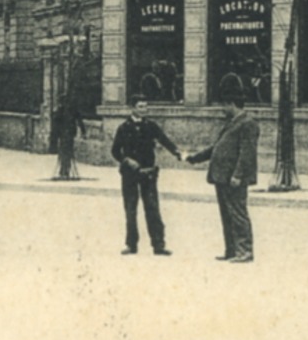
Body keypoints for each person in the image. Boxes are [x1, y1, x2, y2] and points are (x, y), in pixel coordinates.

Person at [187, 96, 260, 262]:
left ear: (232, 103)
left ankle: (245, 251)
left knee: (238, 213)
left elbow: (247, 152)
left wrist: (238, 175)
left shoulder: (248, 123)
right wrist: (195, 158)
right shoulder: (233, 122)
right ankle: (232, 250)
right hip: (222, 177)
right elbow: (216, 147)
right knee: (227, 214)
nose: (222, 109)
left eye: (224, 105)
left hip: (233, 178)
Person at [110, 97, 180, 255]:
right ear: (132, 108)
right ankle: (131, 245)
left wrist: (176, 151)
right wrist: (126, 160)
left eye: (145, 106)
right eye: (140, 106)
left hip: (148, 173)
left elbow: (164, 140)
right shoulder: (123, 128)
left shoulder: (151, 126)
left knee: (153, 208)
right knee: (130, 209)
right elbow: (115, 151)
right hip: (130, 174)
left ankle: (159, 245)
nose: (144, 109)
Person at [50, 101, 84, 181]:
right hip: (69, 134)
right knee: (67, 152)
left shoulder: (61, 110)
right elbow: (79, 121)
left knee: (64, 152)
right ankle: (65, 169)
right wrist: (83, 131)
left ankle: (64, 170)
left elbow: (55, 123)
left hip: (64, 134)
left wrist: (55, 136)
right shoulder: (72, 110)